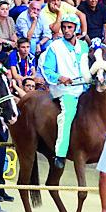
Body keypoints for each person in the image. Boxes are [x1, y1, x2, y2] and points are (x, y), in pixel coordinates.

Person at [40, 13, 90, 169]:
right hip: (64, 90)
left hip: (84, 88)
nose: (66, 30)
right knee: (67, 116)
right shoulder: (54, 46)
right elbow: (46, 70)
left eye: (70, 27)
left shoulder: (83, 46)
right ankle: (60, 154)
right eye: (64, 27)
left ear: (76, 28)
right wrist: (60, 77)